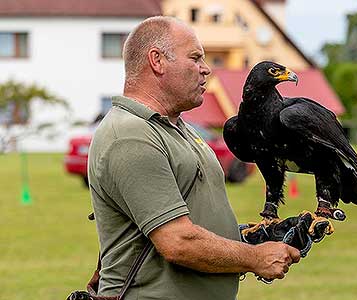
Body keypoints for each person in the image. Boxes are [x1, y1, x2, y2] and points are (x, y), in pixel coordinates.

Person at [88, 16, 301, 300]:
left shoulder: (178, 128)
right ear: (157, 61)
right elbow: (177, 241)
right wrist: (254, 257)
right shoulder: (131, 136)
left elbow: (193, 223)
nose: (206, 70)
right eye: (195, 58)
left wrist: (257, 236)